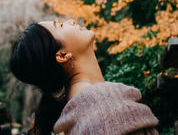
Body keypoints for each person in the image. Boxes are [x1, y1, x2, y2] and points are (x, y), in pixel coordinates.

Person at [10, 19, 159, 135]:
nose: (71, 21)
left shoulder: (78, 111)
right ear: (62, 55)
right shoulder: (100, 103)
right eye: (60, 25)